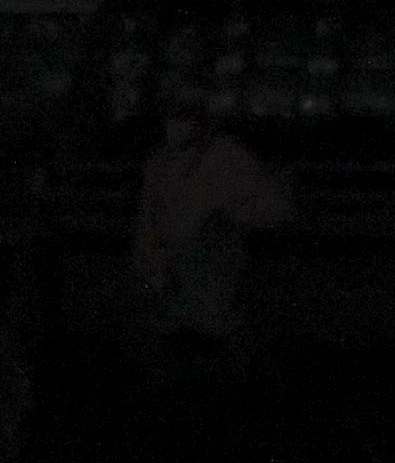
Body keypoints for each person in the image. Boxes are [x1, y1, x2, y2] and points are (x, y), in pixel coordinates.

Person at [125, 103, 292, 361]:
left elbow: (272, 212)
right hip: (175, 286)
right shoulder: (159, 164)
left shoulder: (226, 158)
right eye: (175, 112)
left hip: (214, 284)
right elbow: (148, 227)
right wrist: (157, 270)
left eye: (187, 113)